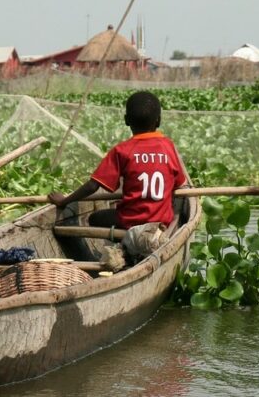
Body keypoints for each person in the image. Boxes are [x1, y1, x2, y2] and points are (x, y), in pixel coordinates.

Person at [48, 91, 189, 269]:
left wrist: (65, 200)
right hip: (162, 221)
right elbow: (179, 184)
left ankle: (126, 245)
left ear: (126, 120)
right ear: (158, 121)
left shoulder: (122, 150)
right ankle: (134, 246)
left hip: (130, 221)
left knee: (95, 219)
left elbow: (93, 185)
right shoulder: (168, 147)